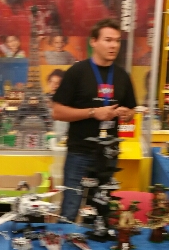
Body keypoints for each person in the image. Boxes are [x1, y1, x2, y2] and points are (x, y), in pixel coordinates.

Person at [52, 19, 137, 220]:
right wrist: (93, 113)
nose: (113, 45)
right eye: (108, 40)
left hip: (108, 155)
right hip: (79, 152)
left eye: (117, 41)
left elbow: (131, 109)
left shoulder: (122, 76)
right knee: (70, 208)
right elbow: (57, 112)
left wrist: (126, 113)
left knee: (99, 212)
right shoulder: (77, 72)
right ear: (94, 42)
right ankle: (64, 238)